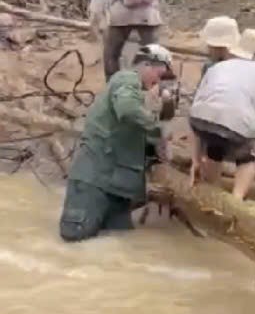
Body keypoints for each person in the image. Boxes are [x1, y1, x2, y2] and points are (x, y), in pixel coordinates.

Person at [59, 44, 176, 242]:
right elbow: (128, 109)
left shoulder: (139, 94)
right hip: (95, 181)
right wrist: (156, 123)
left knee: (117, 243)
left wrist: (160, 131)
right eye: (161, 73)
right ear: (147, 65)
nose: (161, 81)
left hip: (118, 188)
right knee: (75, 239)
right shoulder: (127, 78)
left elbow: (140, 135)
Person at [189, 21, 255, 199]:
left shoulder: (216, 67)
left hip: (199, 120)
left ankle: (212, 193)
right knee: (248, 158)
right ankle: (236, 199)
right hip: (235, 122)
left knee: (214, 146)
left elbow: (197, 110)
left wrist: (195, 160)